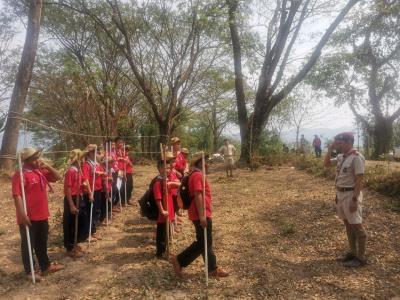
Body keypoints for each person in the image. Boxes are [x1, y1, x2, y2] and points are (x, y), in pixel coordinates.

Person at [170, 152, 229, 278]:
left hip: (199, 212)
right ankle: (179, 260)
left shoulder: (196, 174)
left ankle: (212, 268)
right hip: (200, 213)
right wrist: (202, 216)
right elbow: (198, 195)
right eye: (205, 162)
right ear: (199, 163)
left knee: (205, 241)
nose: (207, 164)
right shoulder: (197, 175)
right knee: (203, 242)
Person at [12, 147, 64, 281]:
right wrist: (22, 215)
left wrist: (46, 165)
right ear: (27, 160)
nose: (38, 160)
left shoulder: (40, 171)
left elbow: (58, 177)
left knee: (42, 241)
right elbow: (16, 195)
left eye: (38, 157)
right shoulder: (20, 175)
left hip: (42, 214)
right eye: (35, 158)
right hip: (28, 216)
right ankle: (30, 271)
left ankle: (45, 266)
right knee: (28, 243)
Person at [324, 132, 367, 268]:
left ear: (349, 142)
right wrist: (330, 149)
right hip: (341, 194)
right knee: (348, 224)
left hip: (351, 194)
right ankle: (352, 253)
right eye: (338, 143)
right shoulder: (341, 157)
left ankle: (360, 258)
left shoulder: (357, 157)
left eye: (341, 143)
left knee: (357, 225)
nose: (339, 145)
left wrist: (354, 199)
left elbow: (360, 180)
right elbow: (326, 164)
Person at [63, 149, 86, 258]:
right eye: (81, 158)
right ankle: (70, 247)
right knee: (71, 224)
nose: (83, 160)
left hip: (79, 197)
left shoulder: (78, 170)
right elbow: (67, 188)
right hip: (71, 198)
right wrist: (71, 204)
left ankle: (75, 242)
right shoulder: (71, 171)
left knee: (81, 220)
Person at [153, 159, 175, 258]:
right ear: (160, 169)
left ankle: (165, 250)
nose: (168, 169)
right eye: (165, 168)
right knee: (161, 233)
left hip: (169, 211)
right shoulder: (158, 183)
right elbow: (158, 199)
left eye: (168, 167)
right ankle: (160, 252)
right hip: (163, 213)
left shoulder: (167, 180)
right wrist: (162, 210)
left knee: (167, 233)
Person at [81, 144, 102, 241]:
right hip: (91, 191)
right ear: (89, 153)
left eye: (96, 151)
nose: (96, 153)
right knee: (89, 213)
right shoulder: (86, 165)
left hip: (97, 190)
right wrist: (90, 193)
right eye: (94, 152)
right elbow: (85, 180)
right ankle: (87, 234)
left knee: (94, 212)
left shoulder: (95, 163)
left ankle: (93, 231)